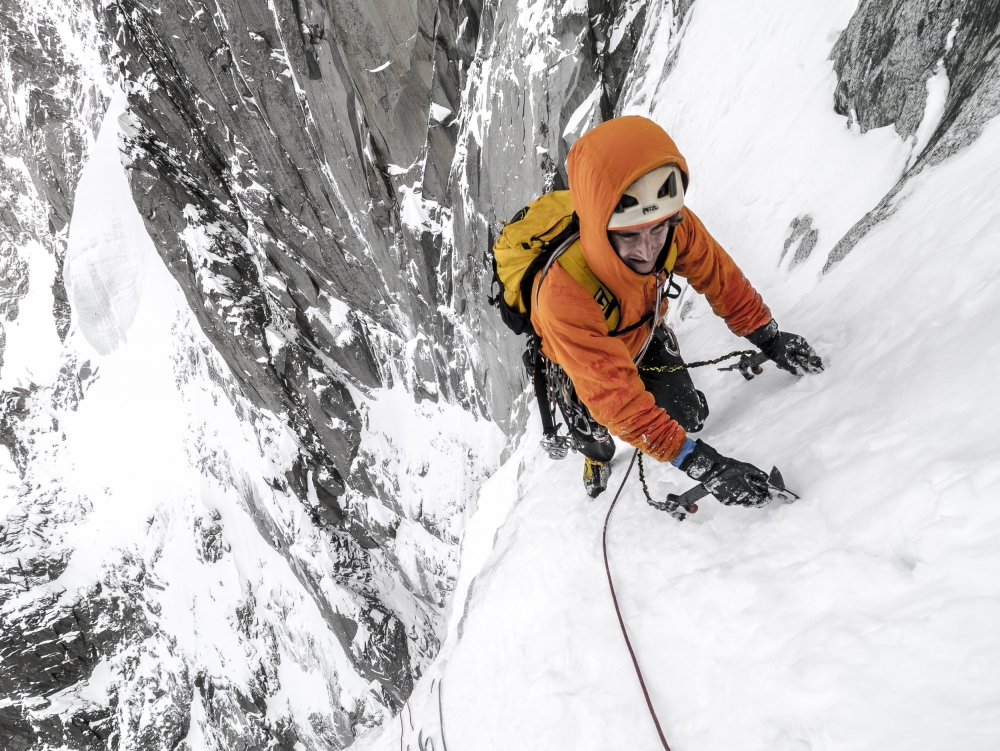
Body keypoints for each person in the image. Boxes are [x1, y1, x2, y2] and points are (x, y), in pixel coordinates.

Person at [530, 116, 823, 501]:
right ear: (600, 230)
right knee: (600, 439)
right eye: (629, 236)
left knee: (689, 418)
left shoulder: (671, 224)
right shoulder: (561, 293)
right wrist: (707, 466)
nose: (648, 249)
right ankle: (596, 458)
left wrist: (769, 339)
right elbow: (618, 403)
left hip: (643, 331)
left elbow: (722, 280)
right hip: (578, 361)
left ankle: (655, 372)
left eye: (657, 230)